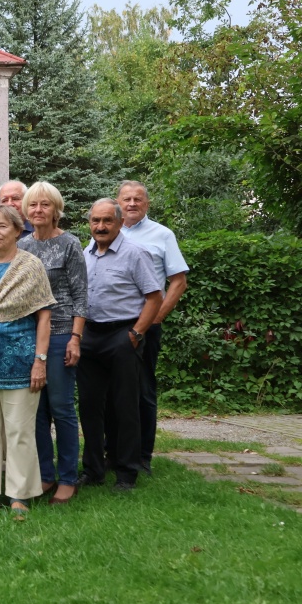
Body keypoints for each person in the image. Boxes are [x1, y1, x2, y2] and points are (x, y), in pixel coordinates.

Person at [0, 205, 55, 518]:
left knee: (19, 431)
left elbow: (44, 316)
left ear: (18, 230)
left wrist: (40, 360)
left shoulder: (31, 266)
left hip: (19, 362)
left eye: (3, 226)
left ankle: (19, 495)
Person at [78, 199, 162, 492]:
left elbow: (154, 297)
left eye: (107, 221)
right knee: (89, 406)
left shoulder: (135, 253)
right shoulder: (84, 253)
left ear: (119, 222)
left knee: (126, 405)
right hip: (89, 335)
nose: (100, 227)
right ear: (89, 223)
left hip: (122, 335)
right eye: (95, 221)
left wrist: (137, 334)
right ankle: (93, 469)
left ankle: (127, 472)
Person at [16, 182, 87, 505]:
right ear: (25, 211)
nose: (38, 211)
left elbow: (81, 295)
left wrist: (75, 337)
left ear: (56, 209)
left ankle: (69, 477)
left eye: (45, 205)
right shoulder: (24, 246)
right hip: (29, 336)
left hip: (60, 335)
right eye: (33, 205)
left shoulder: (70, 244)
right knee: (36, 411)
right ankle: (45, 475)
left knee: (60, 407)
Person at [117, 180, 189, 475]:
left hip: (146, 326)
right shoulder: (109, 230)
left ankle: (143, 456)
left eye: (138, 199)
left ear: (146, 204)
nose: (132, 204)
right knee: (113, 391)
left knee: (143, 390)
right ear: (118, 203)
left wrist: (157, 316)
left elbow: (178, 280)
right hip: (112, 325)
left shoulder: (162, 234)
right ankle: (115, 452)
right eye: (126, 199)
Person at [0, 181, 33, 252]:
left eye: (15, 199)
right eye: (5, 200)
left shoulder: (37, 232)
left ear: (27, 201)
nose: (9, 204)